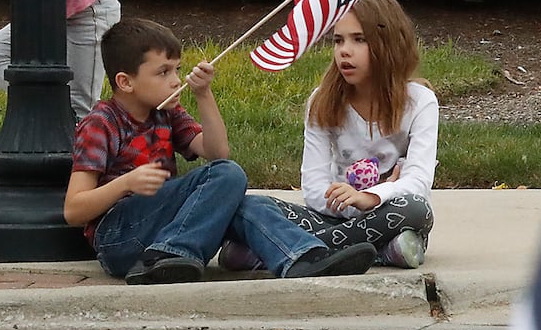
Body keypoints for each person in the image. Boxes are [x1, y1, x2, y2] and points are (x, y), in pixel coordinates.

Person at [64, 18, 378, 286]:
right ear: (125, 82)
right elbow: (74, 211)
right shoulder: (101, 123)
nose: (176, 81)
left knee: (243, 201)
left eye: (177, 70)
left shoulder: (166, 113)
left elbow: (216, 151)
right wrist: (126, 183)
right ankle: (172, 254)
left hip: (163, 233)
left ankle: (303, 258)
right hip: (119, 240)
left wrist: (203, 94)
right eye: (163, 73)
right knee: (227, 175)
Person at [220, 0, 438, 271]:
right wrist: (351, 202)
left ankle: (288, 250)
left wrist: (370, 197)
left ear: (390, 44)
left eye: (359, 39)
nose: (344, 50)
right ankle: (381, 252)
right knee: (248, 208)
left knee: (415, 209)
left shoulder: (420, 102)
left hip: (390, 214)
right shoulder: (322, 101)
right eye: (338, 40)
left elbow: (418, 182)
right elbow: (313, 189)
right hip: (330, 217)